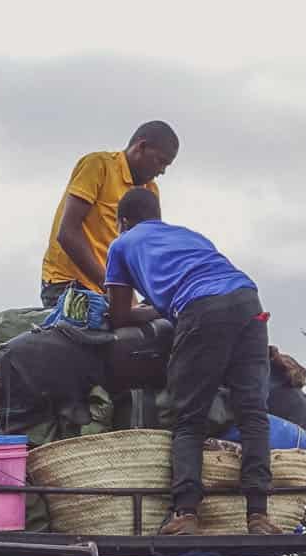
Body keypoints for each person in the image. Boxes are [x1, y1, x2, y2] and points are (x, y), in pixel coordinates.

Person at [104, 188, 276, 537]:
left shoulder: (121, 245)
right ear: (158, 215)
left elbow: (119, 314)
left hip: (201, 310)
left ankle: (185, 513)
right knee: (253, 413)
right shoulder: (190, 236)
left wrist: (158, 310)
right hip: (248, 301)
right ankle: (258, 515)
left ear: (122, 221)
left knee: (189, 419)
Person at [39, 121, 179, 307]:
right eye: (160, 161)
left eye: (167, 166)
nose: (162, 171)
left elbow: (143, 249)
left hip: (108, 289)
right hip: (68, 284)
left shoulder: (150, 191)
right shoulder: (99, 166)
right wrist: (111, 286)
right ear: (141, 147)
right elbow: (67, 234)